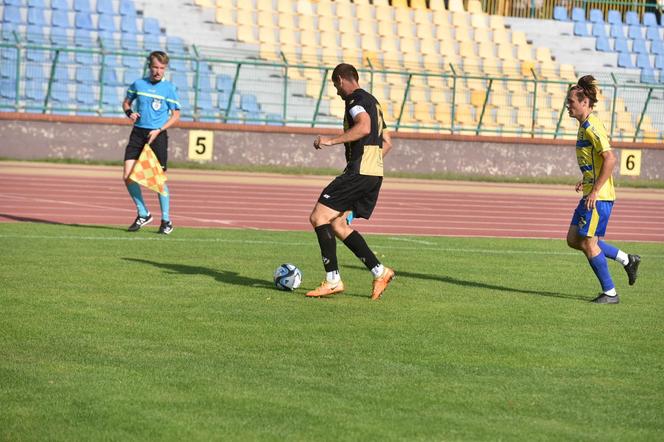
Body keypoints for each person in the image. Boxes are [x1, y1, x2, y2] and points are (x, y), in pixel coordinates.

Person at [306, 63, 395, 301]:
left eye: (336, 85)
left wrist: (330, 141)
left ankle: (333, 280)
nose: (336, 91)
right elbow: (387, 141)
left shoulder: (355, 100)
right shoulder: (373, 101)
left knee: (318, 217)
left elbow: (364, 127)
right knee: (337, 225)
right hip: (373, 173)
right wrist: (370, 162)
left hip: (359, 173)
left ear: (341, 79)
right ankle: (380, 272)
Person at [565, 75, 640, 304]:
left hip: (599, 197)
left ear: (584, 103)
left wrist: (596, 189)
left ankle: (610, 293)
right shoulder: (583, 126)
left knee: (589, 243)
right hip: (590, 192)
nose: (568, 105)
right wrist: (586, 178)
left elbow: (610, 158)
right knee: (573, 239)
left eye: (571, 102)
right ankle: (627, 259)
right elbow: (596, 160)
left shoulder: (592, 127)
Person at [122, 50, 181, 234]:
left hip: (157, 136)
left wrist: (159, 130)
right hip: (138, 134)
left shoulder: (169, 88)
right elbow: (126, 103)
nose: (158, 71)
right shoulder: (138, 84)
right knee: (128, 176)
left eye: (162, 68)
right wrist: (130, 113)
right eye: (155, 67)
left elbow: (176, 115)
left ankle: (166, 220)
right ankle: (143, 213)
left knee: (158, 180)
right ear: (149, 66)